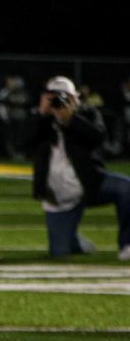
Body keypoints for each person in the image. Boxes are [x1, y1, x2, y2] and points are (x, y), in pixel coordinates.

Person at [31, 76, 129, 260]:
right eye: (55, 97)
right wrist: (41, 113)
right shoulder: (41, 120)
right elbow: (22, 141)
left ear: (75, 98)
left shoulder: (87, 114)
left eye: (64, 97)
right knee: (60, 252)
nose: (60, 101)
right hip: (59, 196)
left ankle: (128, 244)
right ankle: (74, 241)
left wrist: (70, 119)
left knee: (126, 188)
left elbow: (98, 137)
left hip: (89, 185)